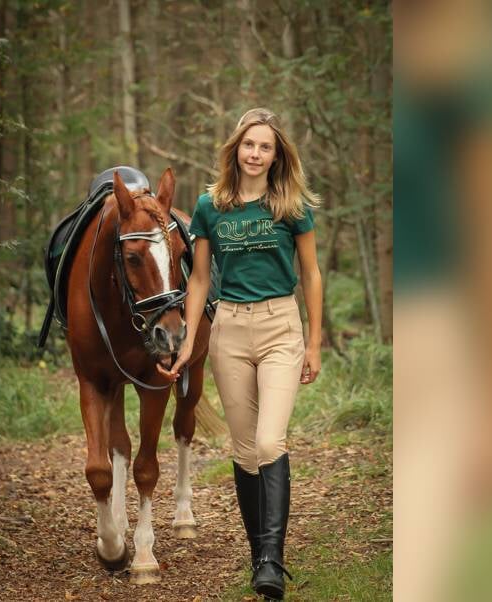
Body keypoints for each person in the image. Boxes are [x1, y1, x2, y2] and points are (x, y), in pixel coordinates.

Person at [159, 107, 323, 600]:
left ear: (277, 156)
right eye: (249, 145)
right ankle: (260, 560)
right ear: (236, 150)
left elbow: (311, 273)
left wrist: (314, 341)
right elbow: (200, 279)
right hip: (228, 328)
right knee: (245, 449)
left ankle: (273, 558)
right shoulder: (210, 205)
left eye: (265, 147)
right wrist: (189, 342)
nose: (256, 153)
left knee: (271, 442)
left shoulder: (291, 205)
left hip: (279, 327)